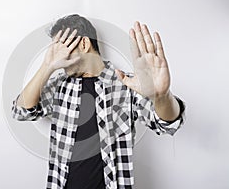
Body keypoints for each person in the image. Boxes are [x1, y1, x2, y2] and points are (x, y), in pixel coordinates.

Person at [11, 14, 186, 189]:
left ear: (84, 44)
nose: (58, 57)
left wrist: (161, 96)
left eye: (61, 48)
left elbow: (168, 124)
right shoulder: (59, 85)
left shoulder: (128, 84)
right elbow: (21, 111)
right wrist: (47, 65)